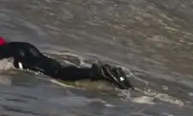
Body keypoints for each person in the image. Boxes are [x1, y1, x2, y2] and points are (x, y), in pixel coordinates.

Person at [1, 34, 132, 89]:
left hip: (14, 54)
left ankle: (98, 74)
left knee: (58, 74)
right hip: (21, 47)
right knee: (59, 70)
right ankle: (105, 74)